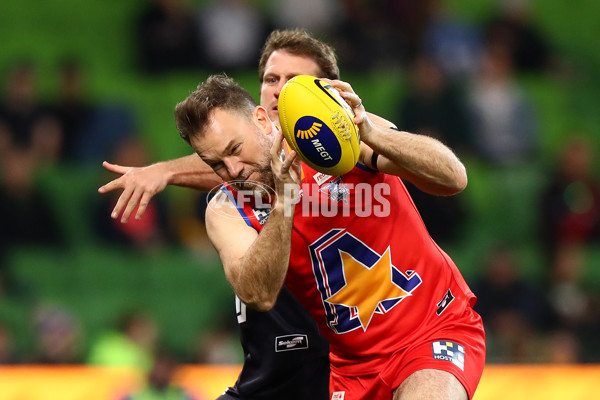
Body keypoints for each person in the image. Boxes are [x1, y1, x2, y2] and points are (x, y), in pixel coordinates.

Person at [172, 73, 485, 399]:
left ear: (262, 120)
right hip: (352, 368)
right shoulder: (227, 208)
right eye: (216, 164)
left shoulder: (328, 137)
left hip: (431, 330)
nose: (232, 170)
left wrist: (371, 134)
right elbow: (259, 293)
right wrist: (285, 201)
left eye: (235, 149)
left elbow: (453, 178)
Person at [99, 30, 339, 400]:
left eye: (292, 80)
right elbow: (245, 159)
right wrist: (166, 170)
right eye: (271, 80)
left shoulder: (343, 155)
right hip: (268, 375)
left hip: (340, 371)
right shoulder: (233, 188)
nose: (278, 90)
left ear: (329, 89)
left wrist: (167, 171)